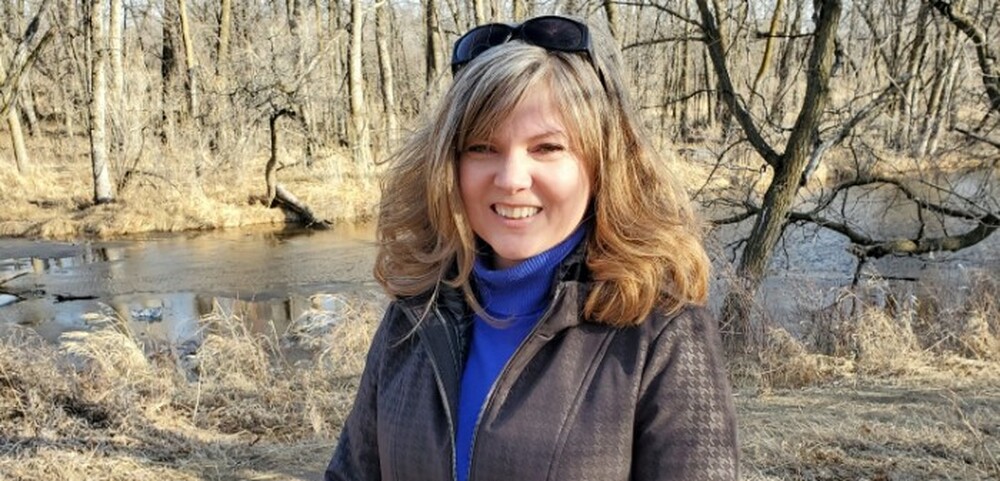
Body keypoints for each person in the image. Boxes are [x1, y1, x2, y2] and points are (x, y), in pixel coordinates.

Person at [325, 14, 738, 481]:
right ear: (449, 164)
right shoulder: (417, 312)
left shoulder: (661, 332)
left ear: (602, 162)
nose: (512, 179)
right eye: (482, 147)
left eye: (546, 148)